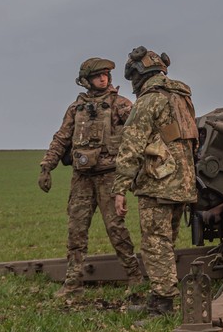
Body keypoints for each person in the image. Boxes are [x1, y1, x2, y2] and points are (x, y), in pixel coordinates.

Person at [39, 57, 143, 299]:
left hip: (109, 177)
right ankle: (73, 283)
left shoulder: (120, 104)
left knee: (116, 230)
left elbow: (139, 130)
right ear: (86, 80)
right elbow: (62, 138)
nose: (103, 78)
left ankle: (135, 277)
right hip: (82, 178)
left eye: (106, 74)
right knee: (76, 231)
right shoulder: (76, 109)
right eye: (98, 75)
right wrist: (46, 166)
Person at [112, 46, 198, 316]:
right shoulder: (182, 97)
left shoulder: (149, 100)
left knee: (155, 244)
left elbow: (131, 146)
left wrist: (119, 189)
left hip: (158, 183)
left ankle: (162, 304)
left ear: (139, 74)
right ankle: (164, 294)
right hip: (183, 182)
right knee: (167, 241)